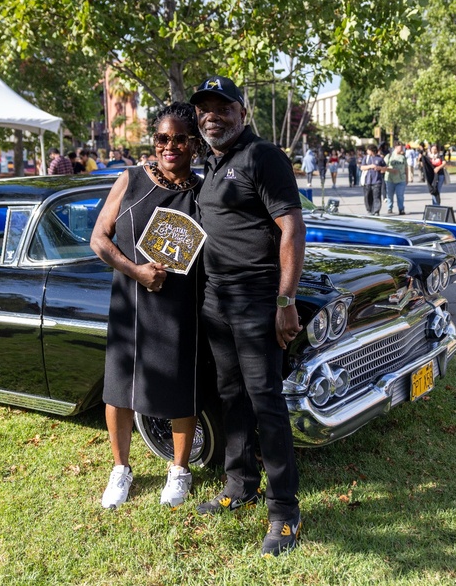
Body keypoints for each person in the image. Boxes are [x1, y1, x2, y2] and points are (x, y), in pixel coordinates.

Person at [189, 75, 305, 557]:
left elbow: (292, 228)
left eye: (222, 107)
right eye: (205, 108)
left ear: (243, 112)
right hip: (217, 300)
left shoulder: (263, 157)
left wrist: (285, 300)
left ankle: (285, 512)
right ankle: (240, 484)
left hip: (258, 301)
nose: (211, 114)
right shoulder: (212, 164)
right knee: (231, 395)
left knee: (265, 403)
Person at [90, 102, 207, 509]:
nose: (169, 146)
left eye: (179, 139)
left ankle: (179, 470)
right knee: (118, 389)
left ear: (193, 144)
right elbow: (99, 240)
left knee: (179, 389)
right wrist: (135, 270)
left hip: (179, 305)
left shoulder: (203, 190)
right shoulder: (131, 179)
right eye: (162, 138)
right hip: (130, 302)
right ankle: (120, 469)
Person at [360, 144, 387, 215]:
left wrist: (379, 168)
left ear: (371, 150)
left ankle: (376, 210)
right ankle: (369, 210)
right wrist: (370, 166)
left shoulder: (380, 159)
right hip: (367, 181)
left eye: (368, 150)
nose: (367, 151)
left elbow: (384, 168)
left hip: (377, 180)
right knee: (368, 196)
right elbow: (362, 167)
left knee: (377, 196)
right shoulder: (366, 158)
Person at [384, 143, 409, 215]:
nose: (401, 149)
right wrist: (391, 170)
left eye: (402, 148)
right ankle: (389, 208)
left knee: (400, 195)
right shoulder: (389, 156)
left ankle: (401, 209)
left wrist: (407, 178)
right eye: (400, 148)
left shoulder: (403, 157)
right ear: (395, 147)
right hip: (390, 179)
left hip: (401, 179)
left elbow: (406, 168)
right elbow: (383, 167)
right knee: (390, 195)